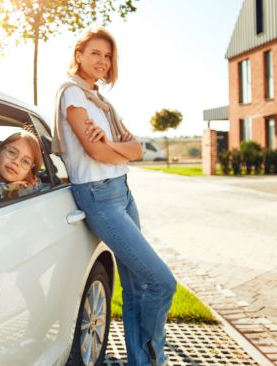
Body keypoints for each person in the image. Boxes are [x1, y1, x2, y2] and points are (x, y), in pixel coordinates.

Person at [52, 26, 176, 366]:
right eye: (95, 53)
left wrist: (113, 148)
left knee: (137, 287)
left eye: (108, 56)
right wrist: (115, 149)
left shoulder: (102, 103)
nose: (103, 61)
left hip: (122, 192)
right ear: (78, 55)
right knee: (161, 283)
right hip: (99, 196)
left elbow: (135, 149)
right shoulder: (73, 94)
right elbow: (97, 153)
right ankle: (154, 359)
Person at [0, 131, 43, 202]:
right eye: (12, 152)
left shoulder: (29, 190)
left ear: (30, 170)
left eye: (25, 161)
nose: (16, 162)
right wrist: (7, 189)